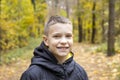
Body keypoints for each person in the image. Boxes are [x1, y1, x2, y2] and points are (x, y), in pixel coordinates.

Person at [20, 15, 88, 80]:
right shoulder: (32, 75)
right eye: (57, 36)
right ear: (46, 40)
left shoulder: (80, 72)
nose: (64, 41)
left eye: (68, 36)